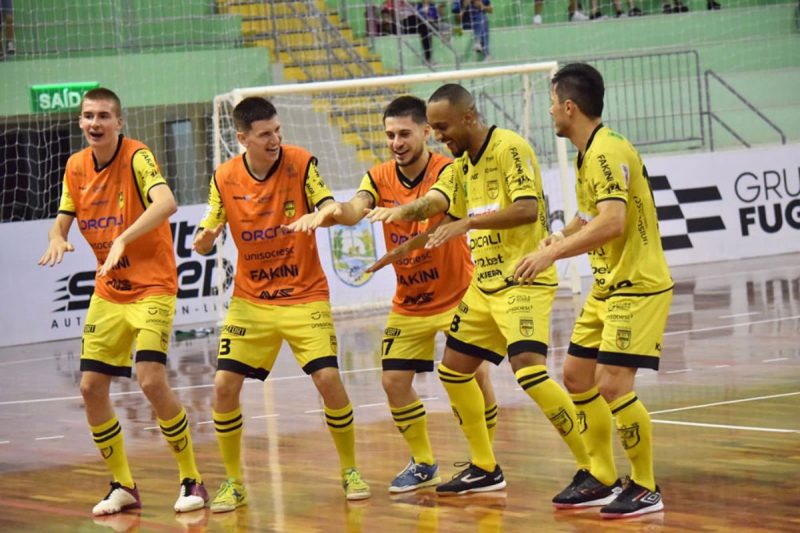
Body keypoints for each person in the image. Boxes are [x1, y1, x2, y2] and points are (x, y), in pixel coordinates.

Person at [366, 84, 594, 496]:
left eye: (442, 127)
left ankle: (592, 465)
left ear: (468, 116)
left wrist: (468, 223)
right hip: (484, 288)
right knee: (453, 371)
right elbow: (437, 211)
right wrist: (397, 238)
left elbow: (527, 209)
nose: (439, 137)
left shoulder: (509, 147)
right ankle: (485, 466)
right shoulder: (461, 167)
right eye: (434, 128)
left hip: (523, 278)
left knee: (529, 371)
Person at [285, 95, 498, 493]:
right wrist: (332, 211)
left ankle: (484, 462)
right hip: (410, 302)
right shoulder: (378, 176)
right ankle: (424, 463)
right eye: (389, 135)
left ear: (425, 132)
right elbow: (357, 208)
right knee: (394, 382)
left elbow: (431, 204)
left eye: (404, 134)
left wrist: (399, 212)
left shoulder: (447, 169)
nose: (396, 142)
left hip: (458, 295)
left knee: (474, 374)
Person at [192, 96, 371, 511]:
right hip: (251, 300)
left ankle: (350, 470)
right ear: (242, 139)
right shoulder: (224, 177)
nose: (275, 140)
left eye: (277, 131)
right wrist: (204, 241)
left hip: (304, 293)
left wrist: (322, 213)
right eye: (264, 135)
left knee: (328, 379)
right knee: (223, 386)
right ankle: (233, 482)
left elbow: (327, 202)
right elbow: (207, 231)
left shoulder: (301, 163)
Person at [37, 88, 208, 516]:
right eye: (88, 116)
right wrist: (57, 236)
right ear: (81, 122)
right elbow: (63, 218)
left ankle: (192, 478)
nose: (95, 123)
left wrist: (123, 238)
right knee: (90, 388)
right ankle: (124, 486)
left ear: (119, 122)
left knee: (150, 380)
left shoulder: (137, 156)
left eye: (103, 116)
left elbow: (167, 202)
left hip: (152, 286)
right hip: (109, 291)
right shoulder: (75, 166)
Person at [514, 62, 672, 518]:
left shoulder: (606, 151)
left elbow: (613, 222)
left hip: (637, 286)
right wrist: (558, 239)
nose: (549, 111)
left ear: (569, 106)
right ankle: (601, 475)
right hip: (608, 287)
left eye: (552, 103)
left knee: (612, 383)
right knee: (577, 376)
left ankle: (645, 486)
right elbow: (589, 216)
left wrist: (552, 257)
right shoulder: (589, 153)